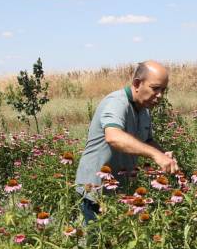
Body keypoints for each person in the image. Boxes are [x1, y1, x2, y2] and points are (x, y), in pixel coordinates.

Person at [75, 60, 179, 222]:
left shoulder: (144, 110)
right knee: (94, 242)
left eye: (163, 90)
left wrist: (163, 154)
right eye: (155, 88)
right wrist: (155, 155)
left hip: (121, 190)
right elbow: (113, 137)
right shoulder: (117, 103)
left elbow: (147, 140)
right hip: (96, 190)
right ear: (137, 83)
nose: (160, 96)